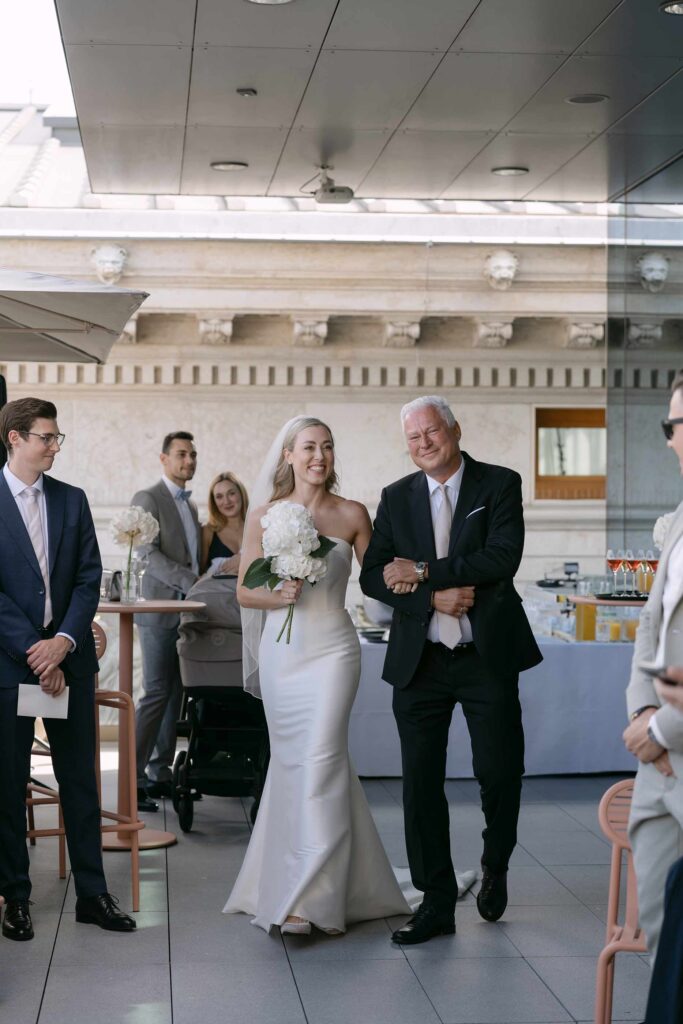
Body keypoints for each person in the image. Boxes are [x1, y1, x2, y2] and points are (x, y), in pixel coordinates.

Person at [359, 395, 542, 945]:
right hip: (422, 661)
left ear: (454, 430)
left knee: (500, 772)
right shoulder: (395, 498)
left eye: (431, 432)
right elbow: (373, 577)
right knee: (419, 784)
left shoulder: (499, 484)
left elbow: (501, 558)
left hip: (487, 658)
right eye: (413, 438)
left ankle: (495, 863)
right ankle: (436, 901)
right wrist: (431, 598)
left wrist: (421, 571)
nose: (423, 443)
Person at [223, 415, 411, 935]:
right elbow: (243, 591)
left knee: (323, 760)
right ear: (288, 455)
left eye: (327, 447)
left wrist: (420, 575)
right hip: (284, 656)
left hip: (333, 650)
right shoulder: (263, 516)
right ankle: (298, 880)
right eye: (308, 447)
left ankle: (313, 901)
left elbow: (376, 580)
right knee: (293, 766)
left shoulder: (352, 513)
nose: (319, 457)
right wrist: (277, 593)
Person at [0, 397, 135, 940]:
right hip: (10, 664)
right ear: (15, 437)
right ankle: (16, 896)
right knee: (9, 784)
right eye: (46, 437)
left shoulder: (72, 500)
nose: (55, 445)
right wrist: (35, 650)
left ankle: (93, 895)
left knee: (80, 780)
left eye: (57, 438)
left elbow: (88, 577)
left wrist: (62, 643)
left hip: (69, 659)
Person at [623, 373, 683, 962]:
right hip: (658, 771)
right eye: (671, 426)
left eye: (678, 425)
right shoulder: (679, 521)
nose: (673, 439)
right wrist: (643, 713)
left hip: (675, 741)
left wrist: (662, 731)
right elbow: (650, 626)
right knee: (664, 941)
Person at [132, 431, 200, 808]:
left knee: (176, 693)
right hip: (158, 611)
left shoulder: (190, 507)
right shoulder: (148, 498)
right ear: (163, 458)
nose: (188, 461)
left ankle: (159, 773)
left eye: (192, 454)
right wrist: (192, 582)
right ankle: (133, 779)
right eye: (181, 454)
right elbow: (147, 555)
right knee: (156, 692)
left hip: (185, 614)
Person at [200, 471, 248, 575]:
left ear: (241, 493)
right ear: (214, 502)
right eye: (219, 496)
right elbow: (200, 572)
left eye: (231, 493)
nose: (226, 501)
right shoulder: (208, 531)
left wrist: (246, 559)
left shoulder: (257, 527)